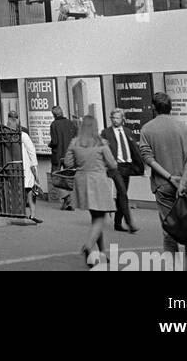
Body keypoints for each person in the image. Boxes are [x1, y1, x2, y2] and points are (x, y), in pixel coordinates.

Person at [138, 91, 187, 255]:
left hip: (163, 185)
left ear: (153, 107)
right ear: (170, 107)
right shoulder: (184, 128)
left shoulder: (147, 129)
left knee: (169, 231)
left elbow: (148, 158)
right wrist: (183, 182)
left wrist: (170, 177)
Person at [63, 114, 117, 266]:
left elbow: (67, 163)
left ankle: (102, 253)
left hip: (81, 181)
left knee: (95, 217)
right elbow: (112, 164)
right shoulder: (101, 143)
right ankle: (88, 246)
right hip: (98, 181)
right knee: (101, 218)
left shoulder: (75, 142)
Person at [101, 107, 143, 233]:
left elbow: (134, 149)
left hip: (127, 166)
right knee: (123, 193)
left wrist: (141, 166)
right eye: (113, 118)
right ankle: (130, 222)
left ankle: (117, 223)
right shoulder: (106, 133)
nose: (115, 120)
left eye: (118, 117)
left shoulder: (128, 132)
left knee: (121, 195)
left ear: (123, 119)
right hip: (115, 167)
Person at [7, 110, 41, 222]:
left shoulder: (15, 134)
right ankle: (30, 214)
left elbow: (31, 152)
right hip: (24, 167)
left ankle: (26, 214)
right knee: (28, 192)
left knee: (25, 192)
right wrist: (35, 168)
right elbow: (32, 151)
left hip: (20, 168)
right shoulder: (22, 134)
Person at [48, 106, 77, 210]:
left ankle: (66, 197)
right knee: (69, 178)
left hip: (58, 155)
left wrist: (50, 144)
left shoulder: (54, 124)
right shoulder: (70, 123)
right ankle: (70, 202)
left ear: (54, 114)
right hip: (70, 155)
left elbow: (55, 141)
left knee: (55, 177)